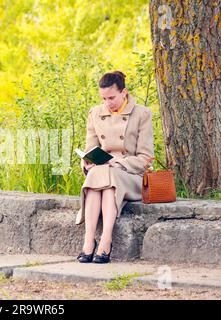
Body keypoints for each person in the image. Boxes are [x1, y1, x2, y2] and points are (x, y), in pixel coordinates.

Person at [76, 71, 154, 264]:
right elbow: (90, 149)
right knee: (99, 174)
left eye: (111, 97)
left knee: (107, 175)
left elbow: (146, 158)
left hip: (131, 174)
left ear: (124, 92)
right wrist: (87, 161)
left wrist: (117, 162)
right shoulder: (95, 113)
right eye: (103, 98)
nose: (107, 103)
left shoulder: (142, 114)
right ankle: (89, 240)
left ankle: (105, 239)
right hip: (103, 172)